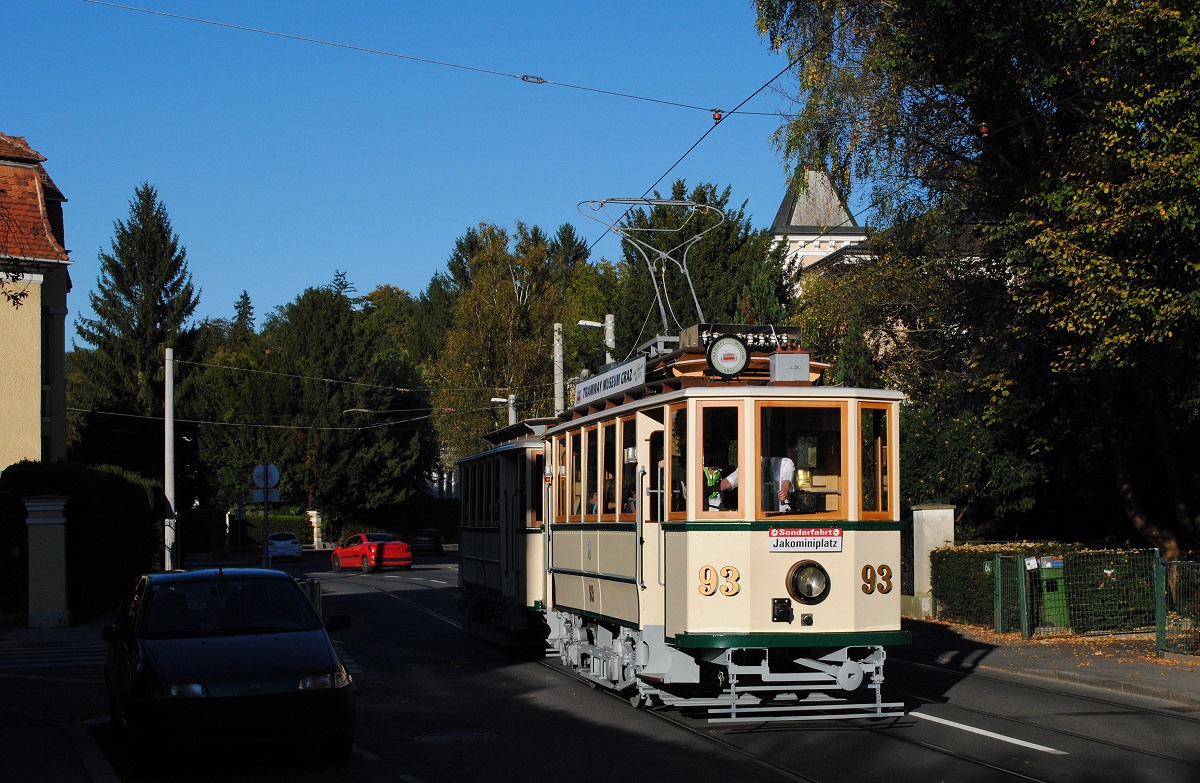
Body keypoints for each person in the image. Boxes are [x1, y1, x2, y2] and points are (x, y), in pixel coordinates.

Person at [718, 456, 795, 512]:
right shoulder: (750, 463)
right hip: (757, 513)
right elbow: (730, 481)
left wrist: (784, 491)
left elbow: (786, 480)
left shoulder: (785, 462)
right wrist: (710, 489)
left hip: (780, 513)